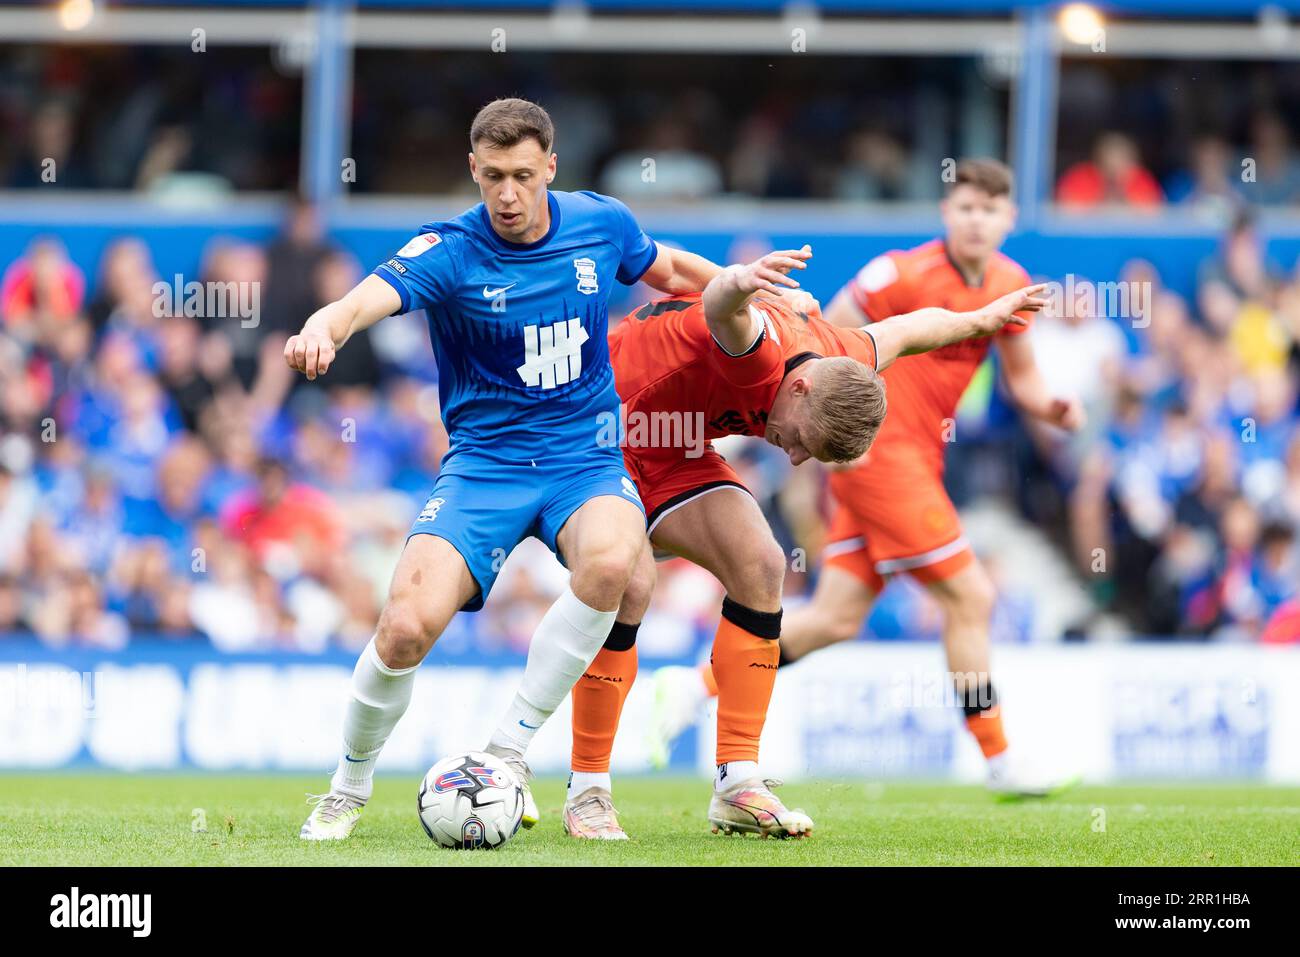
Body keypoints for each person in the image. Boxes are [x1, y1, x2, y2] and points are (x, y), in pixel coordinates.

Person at [288, 97, 720, 840]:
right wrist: (318, 328)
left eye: (523, 175)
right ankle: (346, 788)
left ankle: (511, 754)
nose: (509, 195)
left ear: (551, 166)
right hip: (483, 466)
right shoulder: (449, 251)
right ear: (473, 170)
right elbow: (358, 303)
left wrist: (741, 284)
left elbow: (669, 267)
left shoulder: (600, 222)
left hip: (581, 456)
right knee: (402, 629)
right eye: (493, 177)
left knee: (619, 564)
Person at [561, 244, 1049, 839]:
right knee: (633, 586)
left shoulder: (847, 352)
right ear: (798, 391)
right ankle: (587, 789)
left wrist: (983, 319)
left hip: (674, 444)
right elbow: (720, 305)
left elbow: (915, 328)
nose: (793, 457)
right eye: (799, 440)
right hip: (601, 428)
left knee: (764, 564)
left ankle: (738, 784)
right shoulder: (757, 349)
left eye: (805, 453)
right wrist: (741, 280)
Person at [646, 159, 1085, 799]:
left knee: (834, 618)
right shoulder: (899, 272)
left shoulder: (1011, 283)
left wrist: (1052, 408)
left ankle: (689, 687)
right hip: (881, 457)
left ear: (1008, 218)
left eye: (989, 210)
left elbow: (1023, 377)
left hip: (914, 460)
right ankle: (1000, 759)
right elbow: (833, 338)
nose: (976, 219)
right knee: (971, 598)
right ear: (947, 213)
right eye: (965, 207)